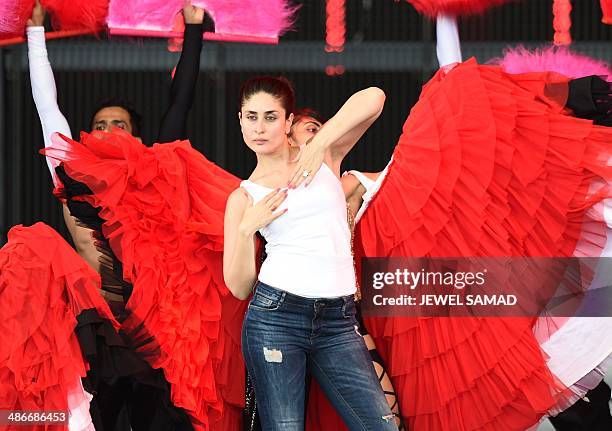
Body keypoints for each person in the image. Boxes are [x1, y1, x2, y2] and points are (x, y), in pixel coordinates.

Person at [222, 75, 398, 430]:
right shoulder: (242, 197)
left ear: (288, 122)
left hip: (338, 321)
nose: (259, 127)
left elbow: (375, 97)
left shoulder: (324, 157)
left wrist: (320, 144)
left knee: (381, 426)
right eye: (251, 117)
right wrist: (246, 229)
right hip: (276, 319)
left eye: (271, 117)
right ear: (239, 120)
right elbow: (240, 287)